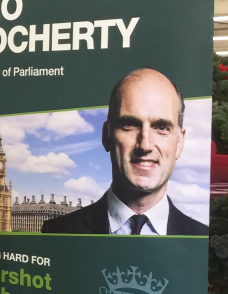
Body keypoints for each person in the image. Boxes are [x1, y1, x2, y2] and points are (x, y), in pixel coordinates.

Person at [42, 68, 208, 235]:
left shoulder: (202, 238)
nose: (145, 145)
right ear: (106, 135)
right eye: (129, 124)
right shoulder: (57, 231)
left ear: (180, 143)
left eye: (161, 127)